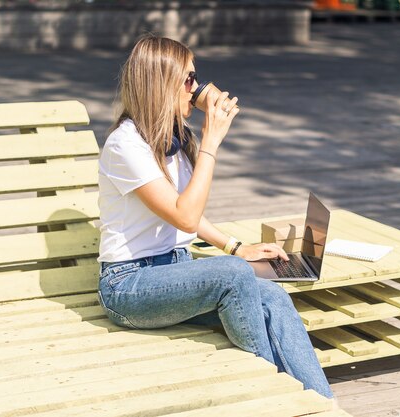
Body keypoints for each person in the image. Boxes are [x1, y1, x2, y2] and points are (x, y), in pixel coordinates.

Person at [97, 34, 334, 400]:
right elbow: (185, 217)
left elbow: (181, 214)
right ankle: (276, 398)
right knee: (232, 274)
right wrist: (211, 142)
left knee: (273, 297)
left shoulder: (175, 137)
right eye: (189, 79)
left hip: (176, 272)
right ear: (162, 83)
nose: (198, 87)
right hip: (130, 286)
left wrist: (236, 246)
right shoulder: (125, 145)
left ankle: (324, 405)